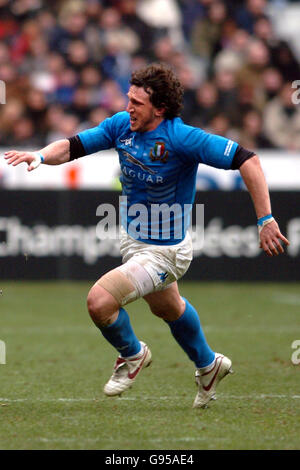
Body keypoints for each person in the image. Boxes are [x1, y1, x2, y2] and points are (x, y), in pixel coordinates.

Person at [4, 63, 289, 409]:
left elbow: (250, 161)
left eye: (137, 103)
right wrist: (39, 155)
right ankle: (208, 365)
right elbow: (74, 145)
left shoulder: (182, 138)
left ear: (160, 109)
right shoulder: (121, 126)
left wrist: (266, 219)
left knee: (99, 302)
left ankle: (133, 355)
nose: (129, 107)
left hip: (166, 252)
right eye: (129, 99)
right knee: (169, 308)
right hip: (134, 242)